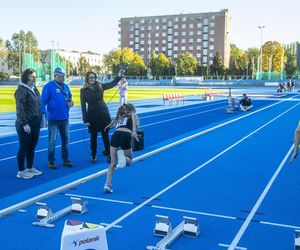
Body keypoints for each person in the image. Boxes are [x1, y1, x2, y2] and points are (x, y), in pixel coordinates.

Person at [80, 70, 125, 163]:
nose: (93, 79)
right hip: (92, 115)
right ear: (87, 79)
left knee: (105, 136)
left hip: (103, 113)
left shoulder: (100, 85)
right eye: (90, 77)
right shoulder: (83, 90)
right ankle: (93, 155)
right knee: (93, 137)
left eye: (94, 77)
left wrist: (119, 76)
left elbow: (112, 84)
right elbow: (83, 106)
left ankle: (109, 155)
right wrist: (85, 120)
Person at [41, 67, 74, 169]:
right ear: (55, 76)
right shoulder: (48, 86)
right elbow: (42, 101)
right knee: (52, 141)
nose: (63, 78)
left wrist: (71, 103)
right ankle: (51, 161)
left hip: (65, 118)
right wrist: (44, 115)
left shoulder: (66, 87)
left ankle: (66, 159)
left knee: (66, 140)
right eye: (60, 76)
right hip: (53, 119)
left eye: (64, 76)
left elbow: (71, 100)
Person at [103, 103, 139, 193]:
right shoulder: (133, 115)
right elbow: (135, 122)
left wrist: (108, 126)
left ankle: (107, 184)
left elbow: (112, 124)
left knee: (113, 163)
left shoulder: (119, 116)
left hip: (115, 135)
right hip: (125, 135)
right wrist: (134, 130)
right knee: (129, 161)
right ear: (132, 110)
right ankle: (122, 158)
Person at [14, 68, 43, 179]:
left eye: (35, 77)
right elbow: (20, 108)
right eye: (32, 77)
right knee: (24, 147)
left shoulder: (34, 89)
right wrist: (24, 123)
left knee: (32, 146)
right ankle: (21, 171)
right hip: (25, 124)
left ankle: (30, 167)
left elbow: (38, 105)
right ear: (26, 77)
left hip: (35, 123)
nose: (34, 79)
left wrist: (41, 119)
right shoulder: (21, 90)